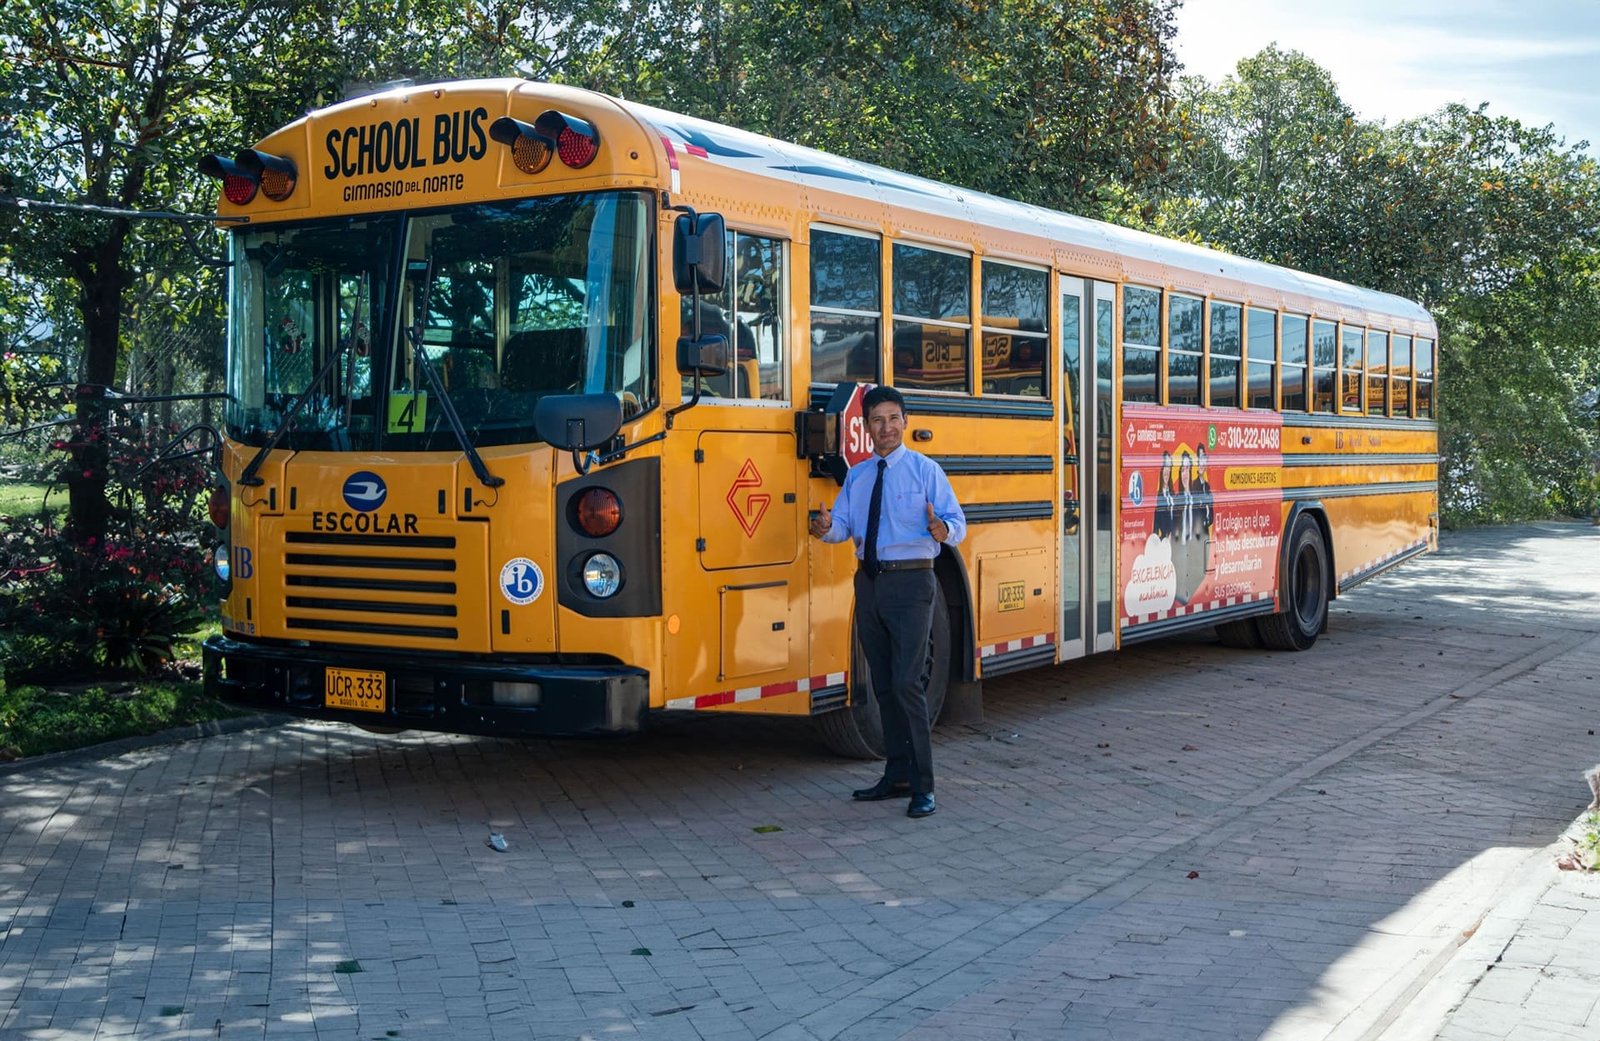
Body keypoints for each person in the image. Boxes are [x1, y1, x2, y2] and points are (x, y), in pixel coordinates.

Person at [809, 386, 966, 819]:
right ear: (866, 426)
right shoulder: (858, 477)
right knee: (882, 685)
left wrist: (942, 531)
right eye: (877, 420)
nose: (886, 428)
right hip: (871, 586)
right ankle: (895, 775)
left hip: (913, 586)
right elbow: (843, 525)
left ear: (905, 421)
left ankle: (923, 785)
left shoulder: (924, 471)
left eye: (893, 418)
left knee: (906, 684)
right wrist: (825, 527)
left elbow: (957, 522)